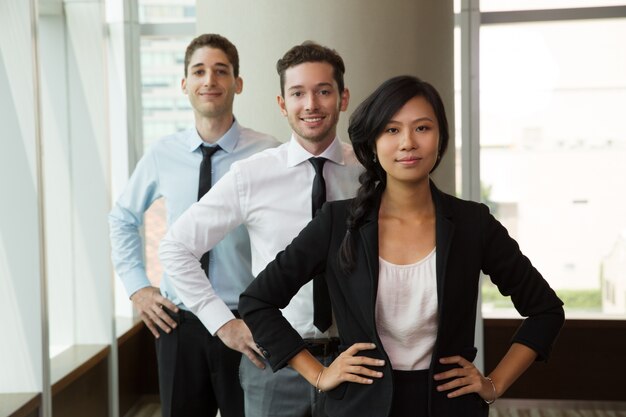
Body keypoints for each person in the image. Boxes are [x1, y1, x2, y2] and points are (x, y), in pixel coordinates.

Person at [239, 75, 565, 417]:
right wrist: (318, 374)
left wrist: (494, 383)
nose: (408, 142)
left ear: (440, 138)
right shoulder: (337, 222)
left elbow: (545, 310)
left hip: (448, 406)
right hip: (359, 407)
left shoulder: (473, 224)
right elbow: (257, 301)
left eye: (422, 128)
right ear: (374, 143)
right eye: (392, 130)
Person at [159, 41, 363, 417]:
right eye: (298, 93)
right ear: (283, 104)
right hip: (275, 364)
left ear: (343, 97)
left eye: (323, 91)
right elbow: (175, 247)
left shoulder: (367, 174)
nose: (311, 105)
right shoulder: (253, 175)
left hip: (354, 361)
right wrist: (224, 325)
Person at [109, 33, 278, 417]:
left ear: (238, 83)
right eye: (199, 71)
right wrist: (138, 288)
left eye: (221, 71)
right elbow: (122, 217)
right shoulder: (162, 153)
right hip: (179, 324)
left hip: (245, 320)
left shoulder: (267, 152)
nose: (210, 80)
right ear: (184, 84)